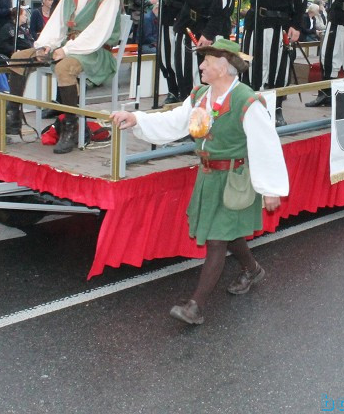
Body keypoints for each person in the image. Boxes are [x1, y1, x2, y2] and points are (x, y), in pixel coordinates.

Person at [109, 38, 288, 326]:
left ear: (224, 66)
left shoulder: (247, 100)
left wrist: (271, 189)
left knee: (217, 239)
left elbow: (265, 145)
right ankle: (252, 270)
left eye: (207, 61)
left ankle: (195, 306)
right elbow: (175, 122)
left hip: (234, 179)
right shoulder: (201, 95)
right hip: (208, 177)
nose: (201, 65)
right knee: (226, 231)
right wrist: (137, 119)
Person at [0, 0, 122, 155]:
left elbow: (98, 32)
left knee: (64, 68)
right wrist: (45, 45)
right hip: (68, 46)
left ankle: (71, 128)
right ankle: (12, 119)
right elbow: (57, 24)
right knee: (18, 57)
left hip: (96, 52)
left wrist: (65, 50)